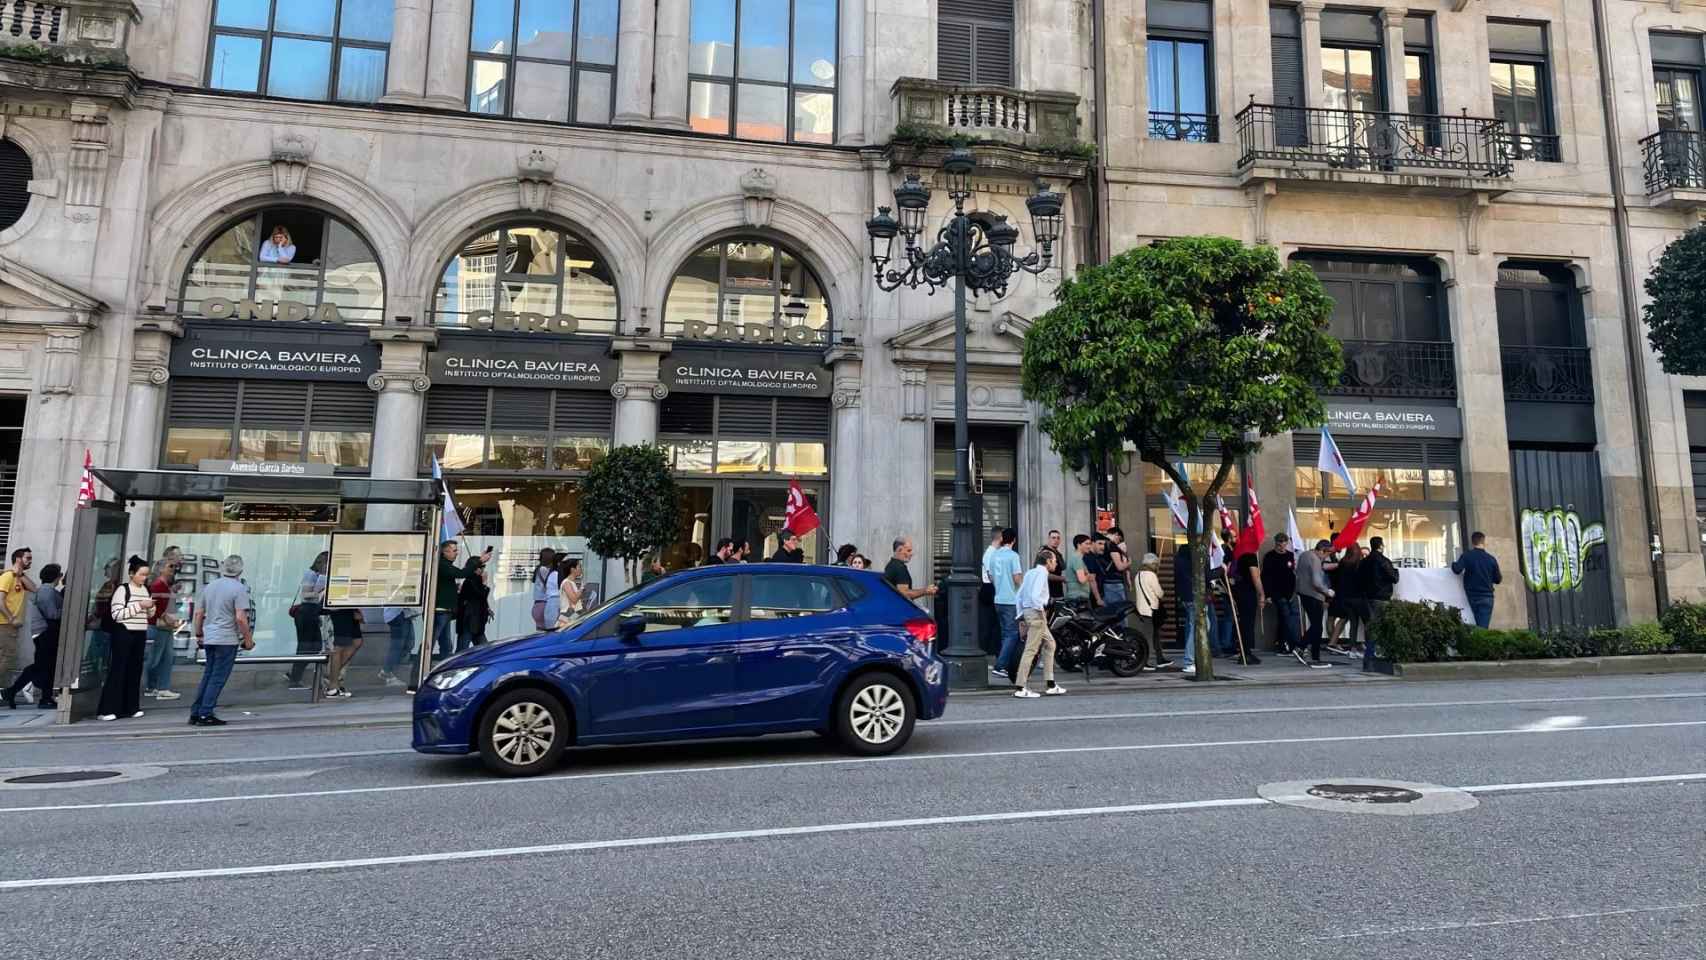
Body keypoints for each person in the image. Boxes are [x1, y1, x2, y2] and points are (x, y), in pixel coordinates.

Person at [189, 555, 253, 726]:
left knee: (208, 675)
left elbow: (199, 614)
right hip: (226, 639)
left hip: (209, 636)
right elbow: (240, 618)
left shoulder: (209, 587)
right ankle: (205, 713)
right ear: (241, 570)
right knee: (218, 678)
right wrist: (248, 639)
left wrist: (199, 634)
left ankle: (196, 712)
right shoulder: (239, 589)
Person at [99, 557, 154, 721]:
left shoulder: (146, 590)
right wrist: (140, 606)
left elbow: (149, 615)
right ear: (131, 574)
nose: (144, 578)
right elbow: (117, 614)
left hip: (140, 633)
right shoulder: (123, 590)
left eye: (146, 575)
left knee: (135, 670)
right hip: (124, 632)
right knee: (118, 670)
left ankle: (131, 707)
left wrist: (151, 608)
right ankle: (109, 708)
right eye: (141, 574)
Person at [4, 562, 60, 709]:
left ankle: (17, 692)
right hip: (45, 633)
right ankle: (16, 692)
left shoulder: (44, 591)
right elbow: (52, 614)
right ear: (56, 577)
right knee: (42, 666)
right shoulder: (47, 591)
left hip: (43, 632)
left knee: (43, 666)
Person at [1012, 549, 1066, 698]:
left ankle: (1050, 684)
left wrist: (1021, 616)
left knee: (1050, 644)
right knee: (1031, 650)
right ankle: (1020, 687)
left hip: (1029, 612)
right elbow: (1035, 596)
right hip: (1037, 614)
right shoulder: (1042, 574)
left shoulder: (1030, 573)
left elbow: (1019, 595)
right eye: (1054, 560)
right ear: (1048, 561)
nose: (1055, 563)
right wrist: (1043, 606)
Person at [435, 541, 491, 659]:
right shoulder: (443, 565)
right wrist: (480, 561)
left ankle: (448, 668)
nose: (457, 553)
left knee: (447, 645)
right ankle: (419, 670)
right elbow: (461, 573)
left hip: (451, 612)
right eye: (454, 550)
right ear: (445, 552)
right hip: (456, 615)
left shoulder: (447, 566)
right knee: (434, 643)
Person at [286, 552, 329, 691]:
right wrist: (321, 591)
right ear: (322, 562)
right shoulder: (311, 574)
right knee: (306, 646)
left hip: (312, 613)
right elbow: (305, 594)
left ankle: (294, 675)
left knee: (315, 646)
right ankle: (294, 678)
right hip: (306, 612)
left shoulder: (318, 575)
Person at [142, 553, 183, 702]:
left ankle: (160, 687)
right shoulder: (158, 585)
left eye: (174, 566)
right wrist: (166, 617)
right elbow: (153, 606)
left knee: (166, 657)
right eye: (170, 566)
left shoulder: (165, 586)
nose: (173, 569)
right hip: (159, 626)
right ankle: (155, 687)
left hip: (164, 626)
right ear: (161, 569)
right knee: (157, 658)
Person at [986, 529, 1024, 681]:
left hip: (998, 598)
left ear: (1002, 539)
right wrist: (1024, 589)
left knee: (1005, 634)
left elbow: (990, 575)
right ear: (1013, 540)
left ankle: (1006, 663)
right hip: (1011, 600)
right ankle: (1000, 666)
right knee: (1012, 634)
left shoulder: (995, 554)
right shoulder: (1013, 556)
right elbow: (1017, 578)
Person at [1358, 536, 1400, 669]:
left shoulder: (1365, 562)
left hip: (1367, 598)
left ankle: (1369, 657)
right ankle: (1378, 656)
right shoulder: (1383, 560)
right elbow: (1394, 578)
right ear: (1381, 546)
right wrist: (1396, 571)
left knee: (1371, 627)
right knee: (1383, 627)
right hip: (1381, 597)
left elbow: (1359, 578)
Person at [0, 547, 37, 697]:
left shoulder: (19, 577)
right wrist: (11, 618)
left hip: (10, 626)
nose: (30, 561)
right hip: (5, 624)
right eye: (27, 558)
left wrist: (20, 575)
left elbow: (34, 588)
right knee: (7, 658)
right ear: (18, 559)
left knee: (6, 657)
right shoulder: (7, 577)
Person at [1295, 539, 1335, 668]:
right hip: (1314, 595)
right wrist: (1327, 592)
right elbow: (1317, 582)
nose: (1327, 557)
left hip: (1303, 592)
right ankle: (1302, 648)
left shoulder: (1304, 555)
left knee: (1316, 625)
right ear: (1322, 550)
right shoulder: (1315, 560)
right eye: (1327, 554)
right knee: (1317, 626)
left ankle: (1312, 653)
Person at [1452, 531, 1503, 628]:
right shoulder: (1491, 559)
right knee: (1482, 629)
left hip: (1472, 596)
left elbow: (1457, 569)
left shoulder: (1467, 556)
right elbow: (1498, 579)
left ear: (1473, 542)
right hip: (1487, 597)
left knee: (1477, 626)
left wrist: (1453, 564)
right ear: (1484, 542)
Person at [1261, 533, 1300, 657]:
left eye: (1284, 543)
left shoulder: (1290, 555)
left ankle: (1285, 642)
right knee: (1285, 616)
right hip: (1276, 592)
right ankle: (1285, 644)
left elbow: (1292, 573)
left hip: (1290, 592)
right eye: (1279, 543)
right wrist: (1267, 595)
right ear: (1276, 543)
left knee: (1287, 619)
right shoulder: (1270, 556)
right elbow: (1266, 577)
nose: (1282, 545)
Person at [1328, 544, 1364, 657]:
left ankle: (1334, 642)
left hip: (1341, 594)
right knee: (1347, 620)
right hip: (1355, 596)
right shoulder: (1359, 564)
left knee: (1342, 619)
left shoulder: (1343, 562)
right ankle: (1333, 643)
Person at [1230, 549, 1264, 665]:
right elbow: (1256, 577)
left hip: (1239, 591)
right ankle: (1246, 653)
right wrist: (1261, 594)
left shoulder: (1238, 554)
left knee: (1244, 623)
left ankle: (1244, 652)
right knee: (1248, 623)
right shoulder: (1250, 556)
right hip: (1247, 592)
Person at [1133, 552, 1165, 670]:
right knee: (1148, 637)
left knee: (1154, 634)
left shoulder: (1138, 575)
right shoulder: (1151, 575)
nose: (1157, 566)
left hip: (1142, 609)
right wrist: (1162, 593)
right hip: (1151, 609)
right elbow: (1159, 593)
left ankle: (1160, 658)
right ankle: (1145, 661)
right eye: (1156, 563)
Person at [325, 606, 364, 696]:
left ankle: (331, 677)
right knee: (339, 647)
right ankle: (333, 686)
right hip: (337, 606)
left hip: (349, 605)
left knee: (357, 641)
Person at [883, 537, 938, 602]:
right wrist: (925, 591)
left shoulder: (890, 565)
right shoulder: (899, 568)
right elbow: (904, 594)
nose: (911, 554)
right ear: (899, 549)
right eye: (908, 550)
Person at [457, 557, 493, 650]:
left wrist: (487, 609)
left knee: (483, 648)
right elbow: (480, 595)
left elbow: (481, 599)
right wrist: (484, 583)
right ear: (476, 569)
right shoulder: (470, 581)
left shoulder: (474, 580)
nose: (483, 571)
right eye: (481, 568)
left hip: (476, 621)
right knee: (463, 647)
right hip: (470, 620)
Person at [380, 606, 416, 688]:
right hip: (397, 615)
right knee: (397, 646)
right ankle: (387, 672)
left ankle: (389, 669)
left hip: (404, 615)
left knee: (409, 643)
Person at [1064, 534, 1099, 605]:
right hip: (1078, 598)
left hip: (1078, 597)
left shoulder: (1077, 557)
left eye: (1090, 544)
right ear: (1079, 545)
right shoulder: (1077, 558)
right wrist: (1089, 576)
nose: (1089, 546)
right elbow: (1082, 580)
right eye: (1086, 544)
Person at [1100, 528, 1132, 606]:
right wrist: (1129, 563)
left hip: (1106, 581)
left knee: (1111, 612)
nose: (1119, 542)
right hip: (1114, 583)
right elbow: (1120, 567)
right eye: (1120, 539)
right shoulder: (1112, 546)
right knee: (1120, 611)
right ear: (1116, 534)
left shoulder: (1103, 545)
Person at [530, 548, 558, 630]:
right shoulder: (544, 570)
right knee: (549, 635)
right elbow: (553, 585)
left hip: (538, 606)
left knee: (541, 636)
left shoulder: (539, 568)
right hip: (544, 605)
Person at [554, 557, 584, 628]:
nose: (581, 569)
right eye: (579, 566)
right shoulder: (567, 583)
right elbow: (573, 599)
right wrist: (582, 588)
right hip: (568, 616)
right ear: (572, 569)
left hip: (572, 615)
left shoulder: (571, 582)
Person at [1043, 530, 1066, 602]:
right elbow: (1044, 574)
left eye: (1058, 538)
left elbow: (1062, 567)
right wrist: (1062, 578)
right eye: (1053, 538)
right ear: (1049, 539)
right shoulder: (1045, 553)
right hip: (1048, 593)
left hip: (1058, 592)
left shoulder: (1058, 553)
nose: (1056, 540)